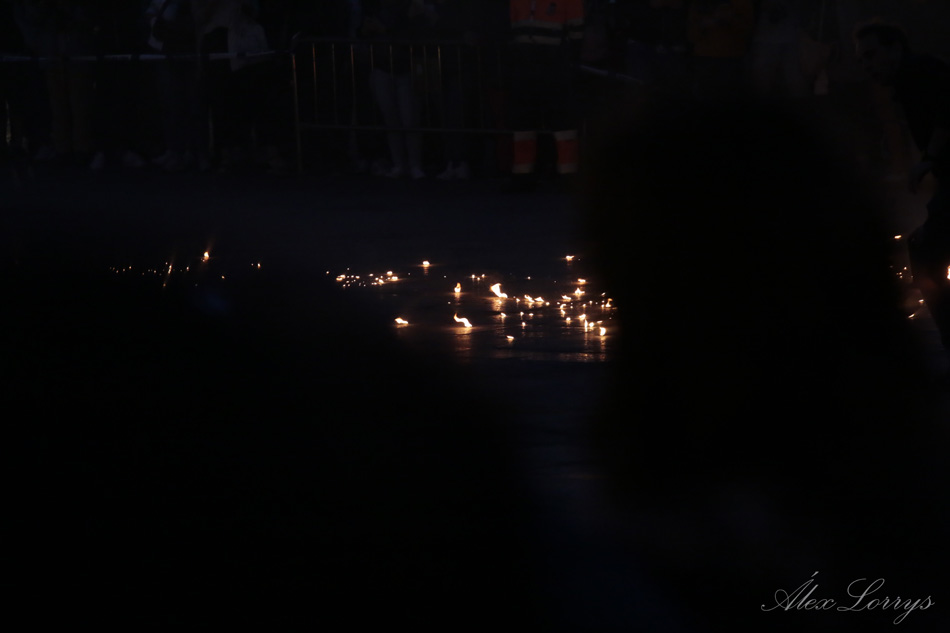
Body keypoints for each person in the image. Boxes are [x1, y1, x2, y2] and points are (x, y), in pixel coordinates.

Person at [854, 19, 950, 364]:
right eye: (862, 60)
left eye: (871, 55)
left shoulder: (920, 71)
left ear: (895, 48)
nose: (867, 65)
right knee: (924, 250)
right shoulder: (908, 81)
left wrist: (930, 159)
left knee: (925, 254)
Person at [506, 0, 584, 191]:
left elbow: (577, 28)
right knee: (525, 121)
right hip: (527, 60)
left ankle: (565, 173)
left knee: (561, 120)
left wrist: (569, 56)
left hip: (553, 61)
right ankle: (525, 174)